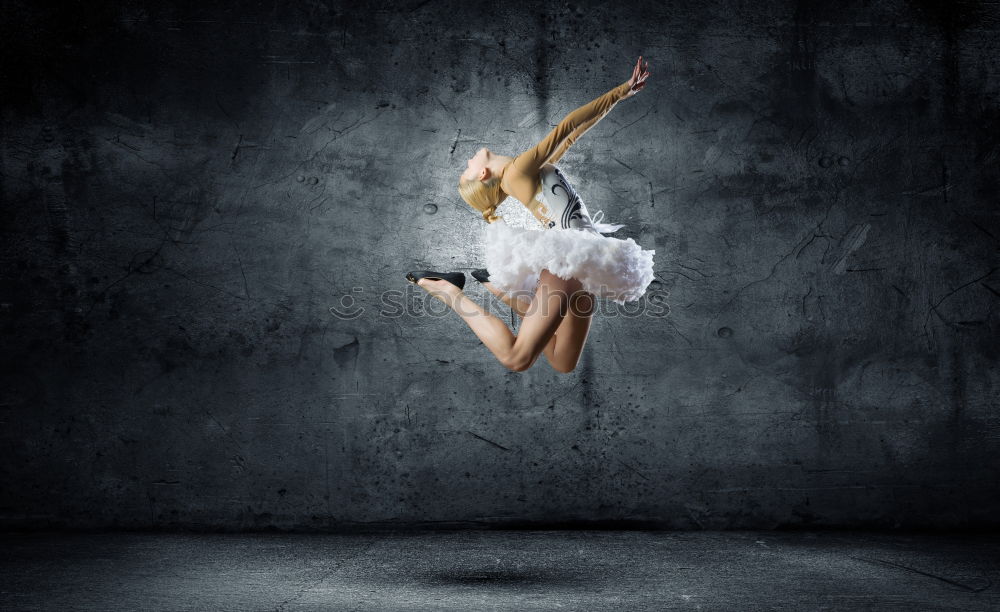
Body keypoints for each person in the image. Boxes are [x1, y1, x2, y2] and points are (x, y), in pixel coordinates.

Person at [406, 56, 655, 373]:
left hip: (588, 259)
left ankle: (498, 289)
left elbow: (574, 133)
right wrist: (620, 89)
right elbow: (566, 124)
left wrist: (621, 97)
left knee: (563, 362)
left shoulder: (527, 172)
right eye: (465, 170)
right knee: (516, 359)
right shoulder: (517, 171)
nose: (466, 160)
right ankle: (445, 289)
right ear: (483, 174)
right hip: (569, 263)